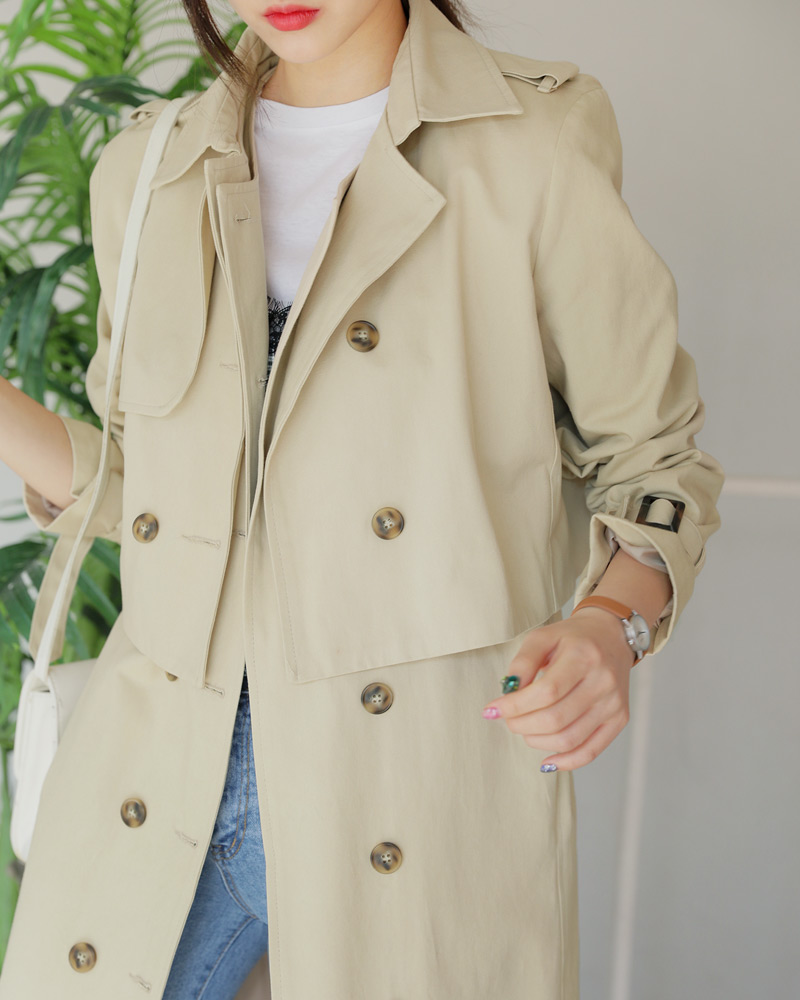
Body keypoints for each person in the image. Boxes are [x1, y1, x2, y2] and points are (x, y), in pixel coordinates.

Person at [0, 0, 725, 997]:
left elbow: (656, 460)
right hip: (156, 772)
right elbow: (151, 493)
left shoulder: (532, 143)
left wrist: (611, 624)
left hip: (411, 789)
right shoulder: (149, 167)